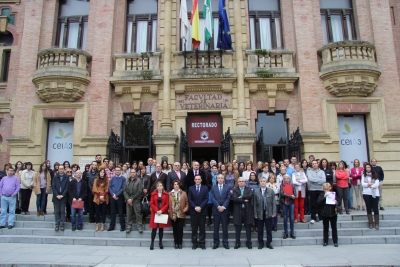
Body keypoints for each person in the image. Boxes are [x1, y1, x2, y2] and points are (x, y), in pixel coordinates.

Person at [254, 177, 276, 249]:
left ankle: (269, 242)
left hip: (268, 212)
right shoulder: (256, 192)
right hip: (260, 212)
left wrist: (274, 212)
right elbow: (255, 204)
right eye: (261, 181)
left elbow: (273, 202)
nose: (262, 182)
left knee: (268, 229)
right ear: (259, 182)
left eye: (264, 181)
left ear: (266, 182)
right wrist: (255, 214)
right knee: (260, 229)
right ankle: (261, 243)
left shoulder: (271, 191)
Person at [232, 177, 254, 249]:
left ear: (245, 182)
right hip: (238, 211)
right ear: (238, 182)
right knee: (238, 228)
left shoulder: (248, 189)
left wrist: (241, 197)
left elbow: (250, 196)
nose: (241, 182)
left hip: (247, 211)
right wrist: (244, 200)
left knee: (248, 227)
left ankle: (249, 243)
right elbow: (235, 199)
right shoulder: (235, 190)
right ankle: (237, 243)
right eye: (240, 181)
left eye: (243, 181)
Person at [210, 174, 231, 249]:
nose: (220, 179)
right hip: (216, 210)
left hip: (225, 210)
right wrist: (218, 206)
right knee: (216, 228)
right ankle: (216, 242)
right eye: (219, 178)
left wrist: (223, 207)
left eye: (222, 178)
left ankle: (225, 242)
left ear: (224, 179)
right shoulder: (213, 187)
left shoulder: (227, 187)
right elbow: (212, 198)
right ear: (217, 179)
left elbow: (228, 198)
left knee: (225, 227)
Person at [188, 174, 209, 250]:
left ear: (201, 180)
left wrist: (200, 207)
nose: (197, 180)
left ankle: (202, 243)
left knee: (202, 228)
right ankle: (194, 243)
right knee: (194, 228)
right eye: (196, 179)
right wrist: (195, 207)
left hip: (202, 211)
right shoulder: (190, 188)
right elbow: (189, 199)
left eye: (198, 179)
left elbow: (206, 199)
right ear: (194, 180)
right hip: (194, 211)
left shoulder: (205, 188)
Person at [149, 181, 170, 250]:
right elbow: (151, 203)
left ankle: (160, 242)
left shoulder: (166, 194)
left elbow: (167, 204)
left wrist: (161, 210)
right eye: (158, 186)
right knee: (154, 229)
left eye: (161, 186)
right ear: (156, 187)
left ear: (162, 186)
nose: (159, 187)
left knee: (161, 228)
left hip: (162, 213)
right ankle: (152, 242)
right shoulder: (153, 194)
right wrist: (156, 210)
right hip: (155, 213)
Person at [169, 180, 188, 249]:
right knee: (174, 229)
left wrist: (185, 209)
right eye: (175, 184)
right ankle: (176, 242)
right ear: (173, 185)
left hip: (181, 213)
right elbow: (167, 203)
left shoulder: (183, 193)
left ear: (179, 185)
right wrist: (169, 211)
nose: (176, 185)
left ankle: (180, 243)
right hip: (173, 213)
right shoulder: (170, 194)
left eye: (177, 184)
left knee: (180, 229)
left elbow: (187, 202)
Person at [317, 182, 338, 247]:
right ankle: (325, 241)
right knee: (325, 228)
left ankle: (335, 241)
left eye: (327, 189)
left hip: (333, 213)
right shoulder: (321, 194)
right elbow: (318, 202)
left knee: (334, 228)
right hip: (324, 213)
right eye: (325, 189)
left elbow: (338, 202)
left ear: (330, 188)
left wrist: (336, 202)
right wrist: (324, 197)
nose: (326, 190)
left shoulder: (333, 194)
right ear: (323, 189)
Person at [124, 169, 144, 234]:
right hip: (128, 200)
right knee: (129, 213)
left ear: (136, 173)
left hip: (136, 200)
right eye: (131, 172)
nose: (132, 173)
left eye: (134, 172)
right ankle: (129, 226)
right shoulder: (127, 181)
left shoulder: (139, 181)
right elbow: (124, 191)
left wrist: (132, 198)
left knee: (138, 213)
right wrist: (128, 199)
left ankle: (139, 227)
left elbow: (139, 191)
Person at [362, 163, 380, 230]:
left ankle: (377, 222)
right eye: (366, 167)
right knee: (368, 207)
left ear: (371, 168)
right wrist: (369, 184)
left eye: (369, 167)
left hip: (375, 193)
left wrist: (370, 185)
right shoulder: (364, 175)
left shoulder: (375, 175)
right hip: (366, 193)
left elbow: (376, 184)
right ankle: (370, 222)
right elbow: (363, 184)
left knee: (375, 208)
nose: (367, 168)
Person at [107, 166, 126, 231]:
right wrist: (113, 194)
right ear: (115, 171)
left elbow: (123, 188)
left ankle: (122, 226)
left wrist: (117, 195)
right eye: (116, 170)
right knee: (113, 212)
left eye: (118, 170)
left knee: (121, 213)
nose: (117, 171)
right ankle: (111, 226)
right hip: (113, 197)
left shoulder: (123, 178)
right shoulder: (113, 178)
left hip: (119, 197)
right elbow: (110, 187)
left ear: (120, 171)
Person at [52, 166, 69, 231]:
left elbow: (67, 187)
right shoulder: (55, 177)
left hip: (63, 197)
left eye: (62, 169)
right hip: (56, 197)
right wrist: (57, 195)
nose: (61, 170)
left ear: (64, 170)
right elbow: (53, 187)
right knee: (57, 211)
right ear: (58, 170)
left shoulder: (66, 177)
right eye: (60, 169)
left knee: (62, 211)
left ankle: (62, 224)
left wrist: (62, 195)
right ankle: (57, 224)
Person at [280, 174, 297, 239]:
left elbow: (295, 194)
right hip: (285, 203)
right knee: (285, 218)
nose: (286, 179)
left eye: (288, 178)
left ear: (289, 179)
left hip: (291, 203)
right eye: (285, 178)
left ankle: (292, 232)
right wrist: (290, 196)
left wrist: (286, 195)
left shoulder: (292, 185)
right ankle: (286, 233)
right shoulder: (282, 185)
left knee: (292, 218)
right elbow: (282, 194)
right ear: (283, 180)